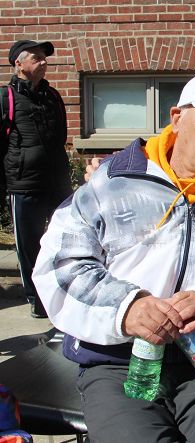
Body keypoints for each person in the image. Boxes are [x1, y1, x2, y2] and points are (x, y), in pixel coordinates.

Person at [32, 69, 195, 443]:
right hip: (116, 361)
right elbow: (60, 265)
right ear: (177, 118)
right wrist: (128, 308)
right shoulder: (112, 183)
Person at [0, 40, 72, 318]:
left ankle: (64, 292)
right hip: (24, 185)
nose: (43, 61)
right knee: (29, 246)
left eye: (45, 57)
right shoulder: (5, 97)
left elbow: (61, 136)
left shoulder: (52, 95)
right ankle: (37, 300)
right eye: (36, 57)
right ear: (19, 63)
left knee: (64, 242)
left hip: (57, 184)